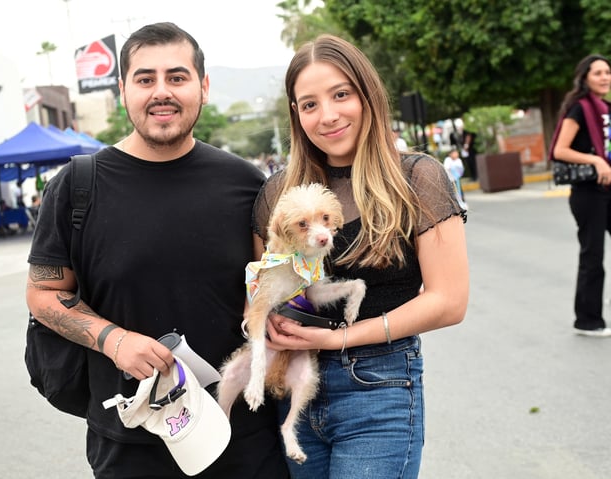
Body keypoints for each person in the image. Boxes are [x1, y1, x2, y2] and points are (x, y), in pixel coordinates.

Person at [25, 22, 289, 478]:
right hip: (130, 440)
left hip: (242, 437)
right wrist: (116, 341)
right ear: (123, 89)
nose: (161, 92)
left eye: (177, 77)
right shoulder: (76, 186)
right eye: (145, 79)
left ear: (203, 87)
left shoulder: (246, 184)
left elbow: (271, 285)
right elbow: (43, 295)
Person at [253, 34, 469, 478]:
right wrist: (261, 324)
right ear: (296, 114)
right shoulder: (278, 193)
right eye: (309, 104)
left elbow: (450, 301)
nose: (327, 115)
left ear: (366, 94)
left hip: (379, 386)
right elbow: (262, 282)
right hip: (293, 385)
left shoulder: (417, 178)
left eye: (340, 94)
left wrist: (338, 338)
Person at [552, 53, 611, 337]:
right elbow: (560, 150)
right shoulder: (580, 108)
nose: (604, 77)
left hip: (607, 189)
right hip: (588, 193)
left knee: (595, 255)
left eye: (608, 72)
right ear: (585, 77)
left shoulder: (605, 108)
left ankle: (596, 302)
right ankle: (587, 320)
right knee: (593, 255)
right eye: (598, 72)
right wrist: (596, 161)